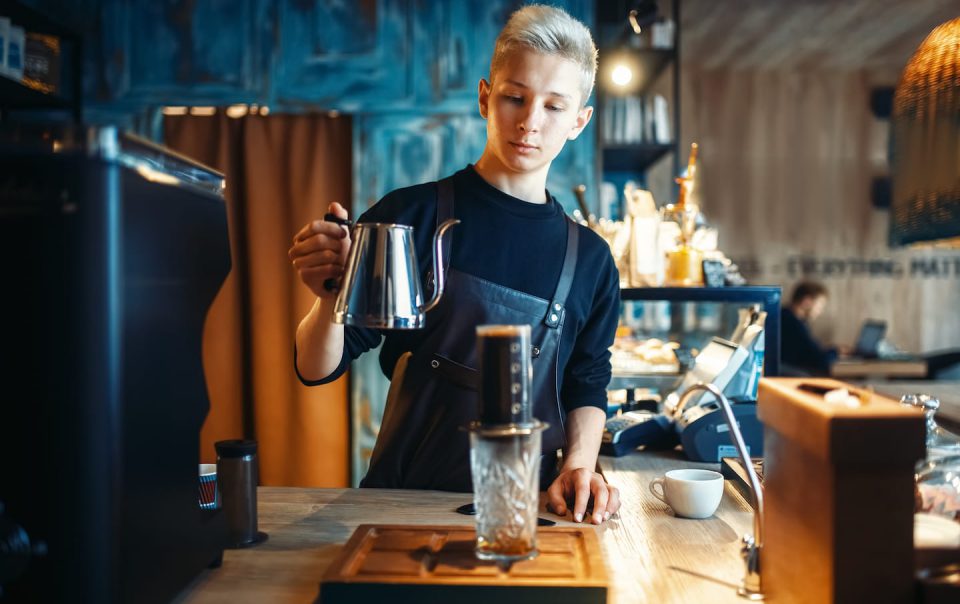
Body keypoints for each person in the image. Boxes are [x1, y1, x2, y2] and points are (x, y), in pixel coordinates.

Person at [288, 4, 621, 525]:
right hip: (402, 503)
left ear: (579, 120)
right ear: (486, 97)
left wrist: (580, 465)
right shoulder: (409, 217)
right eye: (515, 97)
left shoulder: (592, 261)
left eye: (554, 107)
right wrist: (329, 297)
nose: (531, 122)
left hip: (526, 513)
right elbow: (316, 368)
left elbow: (586, 380)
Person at [780, 280, 840, 375]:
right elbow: (820, 360)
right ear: (806, 301)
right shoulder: (793, 323)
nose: (820, 311)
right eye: (820, 306)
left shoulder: (786, 315)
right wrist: (836, 351)